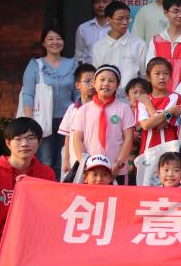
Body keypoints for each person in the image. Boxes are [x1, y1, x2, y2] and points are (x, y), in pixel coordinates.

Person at [0, 117, 56, 266]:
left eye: (30, 138)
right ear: (8, 143)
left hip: (36, 247)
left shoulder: (46, 174)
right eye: (18, 139)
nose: (25, 144)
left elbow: (52, 217)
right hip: (1, 248)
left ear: (39, 142)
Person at [22, 26, 78, 176]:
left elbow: (77, 92)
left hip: (67, 119)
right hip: (42, 119)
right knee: (45, 160)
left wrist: (80, 113)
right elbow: (28, 94)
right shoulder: (35, 65)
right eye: (50, 39)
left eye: (59, 38)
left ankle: (59, 189)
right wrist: (29, 120)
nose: (55, 42)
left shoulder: (72, 64)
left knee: (63, 160)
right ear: (44, 43)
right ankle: (44, 188)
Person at [71, 65, 135, 182]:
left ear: (117, 85)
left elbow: (128, 138)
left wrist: (118, 164)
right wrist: (84, 164)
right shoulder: (84, 110)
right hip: (91, 170)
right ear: (94, 83)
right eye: (102, 80)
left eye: (111, 81)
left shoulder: (124, 109)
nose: (106, 84)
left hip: (116, 169)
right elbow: (77, 139)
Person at [92, 1, 146, 89]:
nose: (125, 22)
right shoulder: (99, 46)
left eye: (127, 18)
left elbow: (143, 74)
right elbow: (97, 73)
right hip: (106, 93)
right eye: (120, 18)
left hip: (132, 94)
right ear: (108, 20)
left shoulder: (139, 44)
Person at [59, 63, 96, 177]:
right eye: (87, 81)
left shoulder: (100, 109)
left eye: (94, 81)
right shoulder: (72, 109)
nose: (92, 85)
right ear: (77, 85)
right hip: (75, 160)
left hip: (95, 160)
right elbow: (67, 136)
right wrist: (66, 160)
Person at [74, 0, 115, 64]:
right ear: (92, 4)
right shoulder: (83, 28)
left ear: (112, 3)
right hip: (89, 70)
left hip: (112, 71)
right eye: (97, 2)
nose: (101, 5)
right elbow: (79, 56)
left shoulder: (118, 28)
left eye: (105, 2)